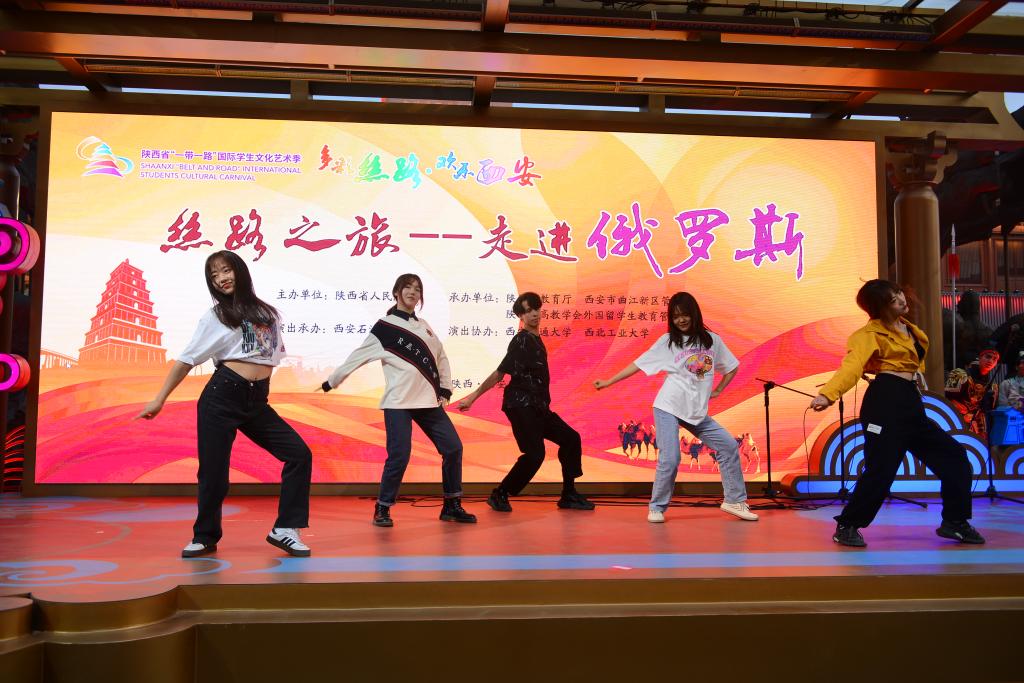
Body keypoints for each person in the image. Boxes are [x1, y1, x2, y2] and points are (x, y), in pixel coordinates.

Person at [138, 251, 313, 558]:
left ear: (240, 271)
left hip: (256, 399)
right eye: (214, 275)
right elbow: (187, 359)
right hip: (221, 397)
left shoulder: (268, 314)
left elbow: (269, 358)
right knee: (214, 473)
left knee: (299, 454)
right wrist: (160, 398)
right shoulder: (216, 316)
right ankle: (205, 536)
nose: (221, 279)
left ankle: (285, 529)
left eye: (226, 270)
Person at [811, 279, 984, 547]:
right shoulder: (868, 335)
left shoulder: (910, 330)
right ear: (879, 307)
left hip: (909, 400)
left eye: (899, 293)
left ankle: (955, 521)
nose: (902, 299)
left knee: (954, 456)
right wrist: (828, 394)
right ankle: (847, 525)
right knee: (882, 468)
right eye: (893, 299)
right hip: (885, 400)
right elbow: (852, 366)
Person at [320, 273, 475, 527]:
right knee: (399, 456)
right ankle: (382, 507)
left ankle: (452, 505)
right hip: (398, 403)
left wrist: (445, 388)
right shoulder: (385, 326)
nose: (413, 292)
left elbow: (441, 357)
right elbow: (358, 356)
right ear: (396, 292)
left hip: (428, 402)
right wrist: (331, 381)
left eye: (417, 289)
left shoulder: (424, 325)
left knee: (453, 448)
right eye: (408, 287)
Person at [593, 291, 758, 524]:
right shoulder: (668, 342)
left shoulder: (712, 341)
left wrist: (719, 390)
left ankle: (734, 501)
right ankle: (656, 507)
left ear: (694, 314)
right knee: (670, 459)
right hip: (668, 407)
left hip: (696, 412)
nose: (681, 320)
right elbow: (638, 364)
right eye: (676, 316)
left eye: (685, 315)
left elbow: (731, 367)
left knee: (729, 446)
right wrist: (609, 381)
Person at [458, 292, 594, 512]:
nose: (534, 314)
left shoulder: (536, 339)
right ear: (520, 316)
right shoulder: (521, 340)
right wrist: (472, 397)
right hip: (521, 405)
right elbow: (500, 373)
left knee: (570, 439)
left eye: (536, 309)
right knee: (535, 454)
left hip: (539, 407)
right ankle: (500, 493)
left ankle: (569, 494)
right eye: (528, 311)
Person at [944, 347, 1000, 439]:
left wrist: (982, 432)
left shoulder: (993, 386)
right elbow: (946, 399)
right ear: (980, 357)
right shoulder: (959, 375)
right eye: (988, 357)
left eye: (994, 359)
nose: (991, 361)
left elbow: (984, 411)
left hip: (975, 425)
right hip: (953, 419)